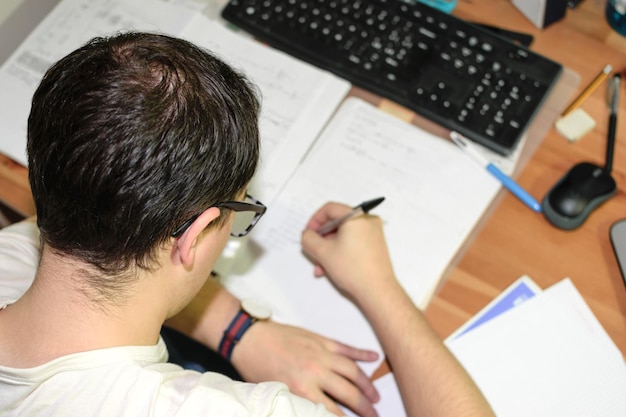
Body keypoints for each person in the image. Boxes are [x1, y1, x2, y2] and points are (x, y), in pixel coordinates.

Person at [0, 32, 495, 416]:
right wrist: (381, 288)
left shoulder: (15, 253)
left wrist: (238, 329)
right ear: (195, 236)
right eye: (238, 213)